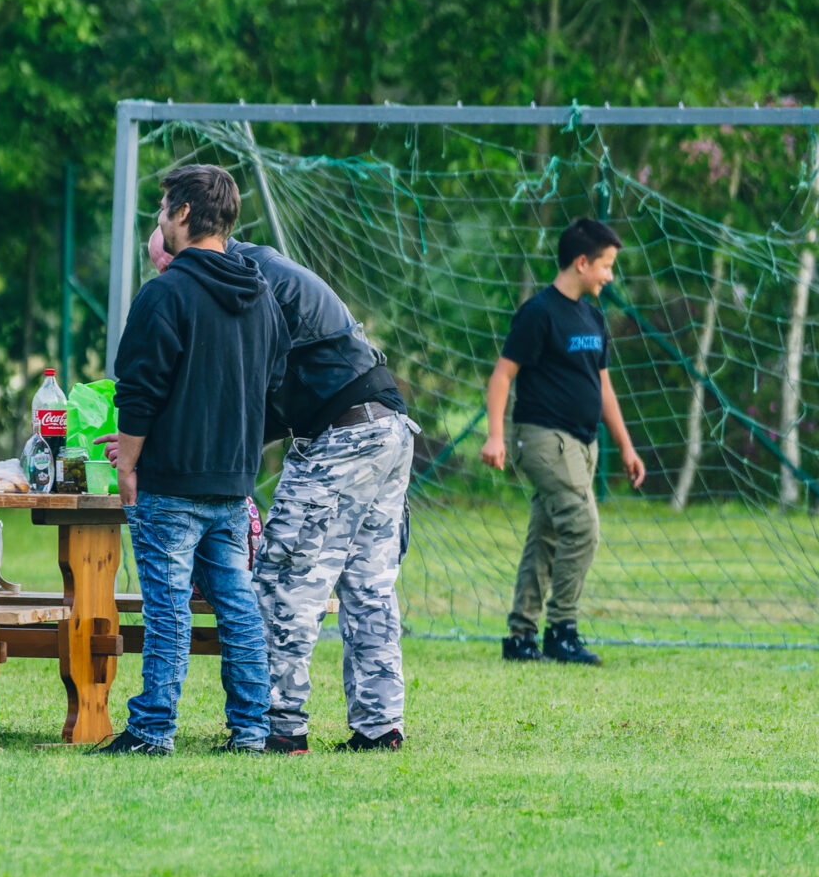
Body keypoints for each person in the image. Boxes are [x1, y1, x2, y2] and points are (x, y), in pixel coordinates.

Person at [149, 225, 418, 752]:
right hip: (387, 426)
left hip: (343, 435)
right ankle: (380, 726)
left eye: (170, 261)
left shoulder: (245, 283)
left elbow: (241, 391)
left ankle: (280, 727)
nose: (168, 276)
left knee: (282, 579)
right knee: (368, 585)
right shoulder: (255, 269)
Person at [102, 165, 288, 755]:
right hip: (233, 484)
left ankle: (152, 729)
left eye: (163, 209)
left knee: (168, 610)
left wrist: (127, 466)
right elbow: (274, 382)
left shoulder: (165, 293)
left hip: (171, 483)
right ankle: (253, 730)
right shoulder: (261, 294)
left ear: (183, 213)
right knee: (238, 607)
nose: (160, 218)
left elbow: (138, 390)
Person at [481, 216, 645, 667]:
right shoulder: (539, 313)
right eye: (606, 265)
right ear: (581, 262)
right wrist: (495, 436)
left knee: (547, 535)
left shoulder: (592, 316)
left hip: (583, 444)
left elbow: (604, 387)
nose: (610, 276)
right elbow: (502, 376)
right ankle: (562, 630)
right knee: (583, 527)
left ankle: (521, 635)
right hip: (543, 440)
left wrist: (626, 446)